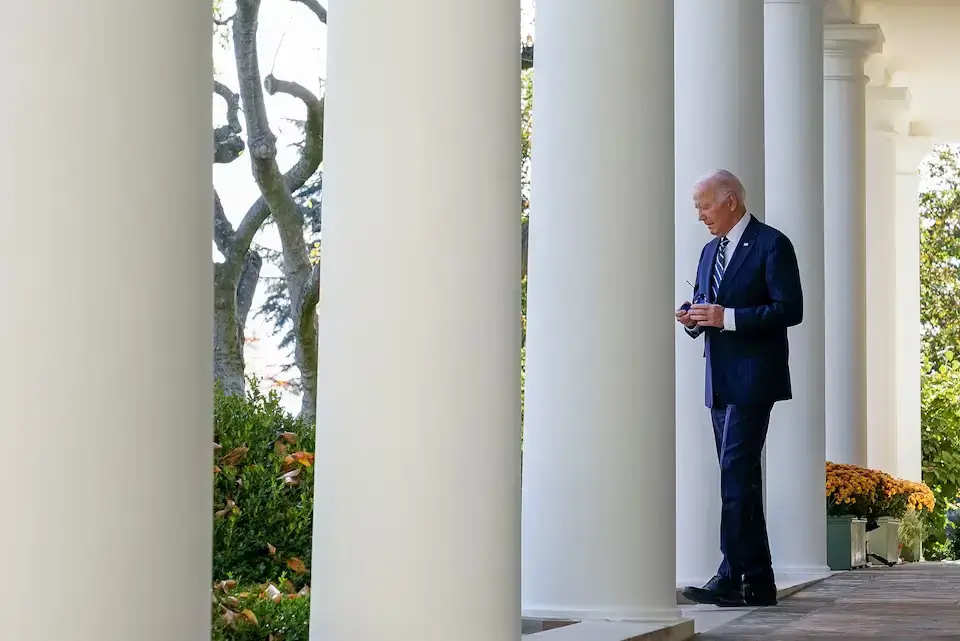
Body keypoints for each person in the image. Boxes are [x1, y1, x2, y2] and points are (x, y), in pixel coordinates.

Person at [675, 169, 803, 608]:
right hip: (719, 379)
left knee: (735, 473)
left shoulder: (773, 244)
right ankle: (758, 581)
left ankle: (732, 575)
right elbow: (706, 304)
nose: (700, 215)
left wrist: (727, 317)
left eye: (704, 205)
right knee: (741, 479)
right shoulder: (709, 250)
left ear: (730, 201)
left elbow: (790, 309)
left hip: (754, 377)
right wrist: (693, 317)